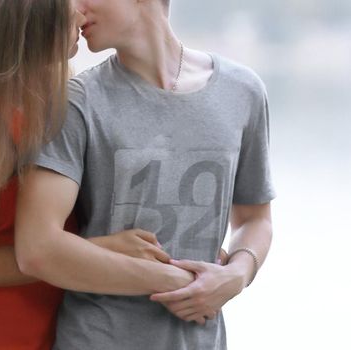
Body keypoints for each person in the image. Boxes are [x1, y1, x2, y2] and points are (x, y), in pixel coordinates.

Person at [0, 1, 175, 349]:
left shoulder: (55, 94)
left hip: (52, 322)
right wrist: (99, 250)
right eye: (68, 6)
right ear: (31, 24)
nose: (80, 13)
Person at [15, 0, 276, 349]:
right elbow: (37, 248)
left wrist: (237, 275)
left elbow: (254, 218)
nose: (74, 8)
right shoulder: (77, 102)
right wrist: (174, 280)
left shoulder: (243, 92)